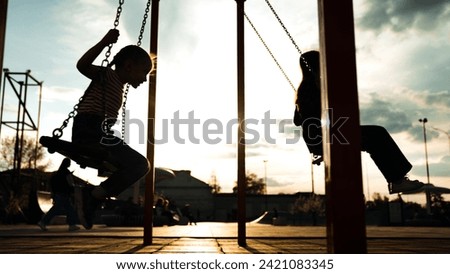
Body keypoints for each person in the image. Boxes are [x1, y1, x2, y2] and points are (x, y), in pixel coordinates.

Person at [293, 50, 424, 194]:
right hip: (328, 137)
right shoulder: (315, 88)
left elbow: (297, 121)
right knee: (377, 134)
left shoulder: (303, 89)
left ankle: (397, 180)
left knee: (374, 137)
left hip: (320, 138)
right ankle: (397, 181)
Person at [72, 29, 152, 229]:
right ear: (128, 66)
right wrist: (104, 42)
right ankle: (93, 195)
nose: (145, 79)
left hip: (99, 132)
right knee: (140, 164)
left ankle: (93, 197)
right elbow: (82, 65)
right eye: (144, 72)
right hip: (89, 129)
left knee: (137, 165)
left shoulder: (119, 85)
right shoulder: (106, 75)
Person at [38, 158, 80, 231]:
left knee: (61, 209)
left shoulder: (58, 173)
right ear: (67, 164)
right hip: (64, 194)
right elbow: (70, 184)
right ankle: (43, 222)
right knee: (69, 209)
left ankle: (43, 222)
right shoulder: (67, 172)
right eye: (69, 163)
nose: (70, 164)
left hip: (57, 194)